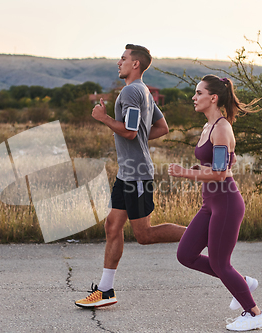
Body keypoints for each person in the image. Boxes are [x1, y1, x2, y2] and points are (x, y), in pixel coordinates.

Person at [75, 44, 186, 308]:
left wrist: (102, 118)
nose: (118, 62)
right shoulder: (144, 92)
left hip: (137, 174)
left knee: (144, 235)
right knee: (112, 226)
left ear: (135, 64)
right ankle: (105, 291)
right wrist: (138, 139)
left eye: (123, 58)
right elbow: (162, 127)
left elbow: (130, 132)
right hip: (127, 173)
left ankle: (200, 233)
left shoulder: (131, 91)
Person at [168, 74, 262, 331]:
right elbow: (212, 166)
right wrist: (197, 168)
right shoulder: (207, 127)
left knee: (219, 263)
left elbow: (221, 173)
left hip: (225, 199)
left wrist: (185, 173)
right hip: (210, 202)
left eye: (198, 93)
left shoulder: (222, 128)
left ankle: (254, 313)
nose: (194, 97)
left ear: (213, 98)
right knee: (186, 254)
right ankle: (242, 282)